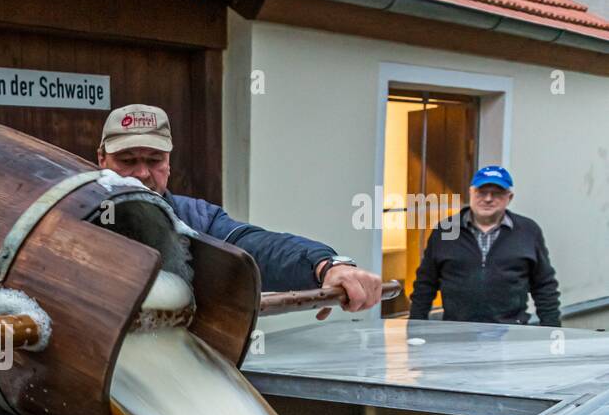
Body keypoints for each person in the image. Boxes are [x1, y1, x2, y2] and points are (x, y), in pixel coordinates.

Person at [97, 104, 384, 318]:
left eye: (154, 160)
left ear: (168, 162)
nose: (142, 173)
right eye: (128, 160)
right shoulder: (76, 213)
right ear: (102, 159)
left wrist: (325, 265)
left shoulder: (196, 218)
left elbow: (255, 245)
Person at [409, 165, 561, 326]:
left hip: (511, 332)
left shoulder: (528, 231)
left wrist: (552, 331)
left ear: (509, 197)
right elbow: (425, 285)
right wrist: (415, 328)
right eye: (481, 192)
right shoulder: (446, 230)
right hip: (457, 332)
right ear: (471, 193)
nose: (488, 198)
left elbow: (544, 286)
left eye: (496, 193)